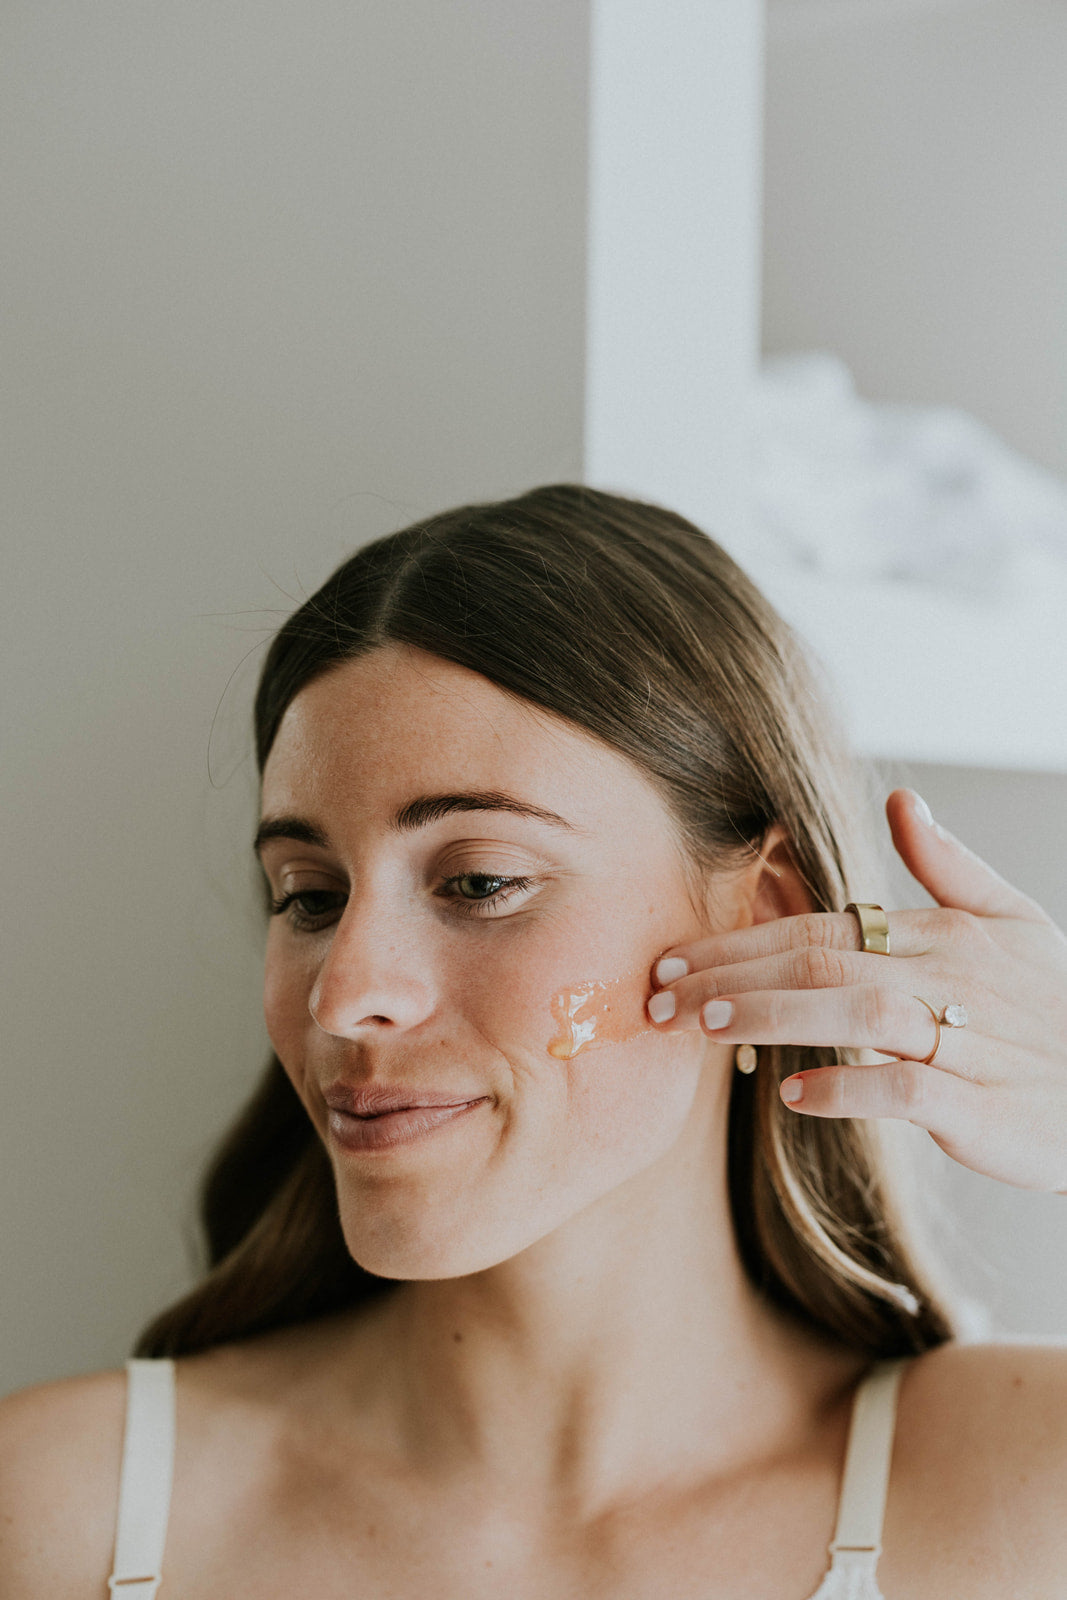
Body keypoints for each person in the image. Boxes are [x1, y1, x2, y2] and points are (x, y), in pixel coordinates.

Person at [1, 483, 1065, 1598]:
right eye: (308, 896)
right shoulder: (67, 1520)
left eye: (480, 881)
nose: (344, 996)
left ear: (762, 914)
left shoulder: (1016, 1500)